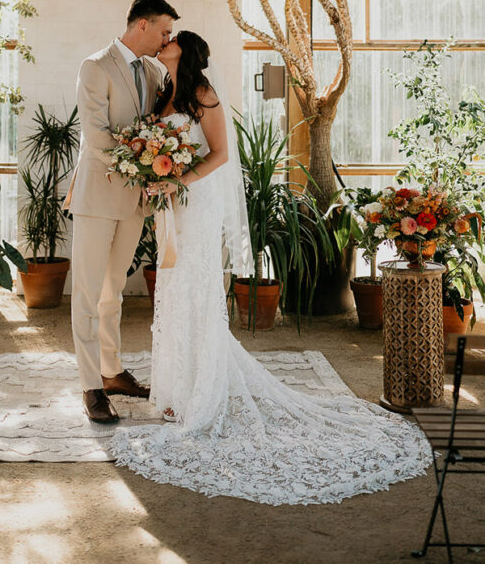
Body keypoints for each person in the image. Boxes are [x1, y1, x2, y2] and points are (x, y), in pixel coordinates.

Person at [111, 30, 431, 504]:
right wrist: (154, 175)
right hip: (170, 204)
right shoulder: (164, 92)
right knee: (173, 290)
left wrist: (178, 175)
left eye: (172, 38)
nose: (164, 41)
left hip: (193, 202)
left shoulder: (203, 93)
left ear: (189, 49)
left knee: (195, 286)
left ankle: (203, 391)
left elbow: (219, 155)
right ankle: (175, 388)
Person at [66, 0, 179, 424]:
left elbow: (157, 123)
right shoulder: (95, 66)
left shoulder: (152, 71)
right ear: (143, 25)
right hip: (98, 194)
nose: (166, 39)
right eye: (164, 31)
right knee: (88, 294)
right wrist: (144, 159)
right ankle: (90, 386)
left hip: (134, 199)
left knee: (113, 290)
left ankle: (112, 372)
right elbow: (96, 135)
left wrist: (157, 166)